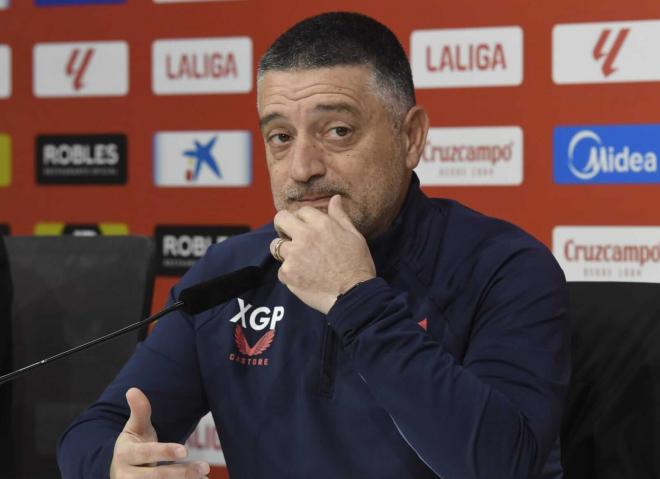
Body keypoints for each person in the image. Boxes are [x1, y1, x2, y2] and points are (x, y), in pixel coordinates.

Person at [58, 12, 570, 479]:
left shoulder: (506, 268)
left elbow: (504, 464)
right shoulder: (229, 273)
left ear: (411, 137)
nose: (303, 167)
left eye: (338, 130)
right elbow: (94, 433)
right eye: (280, 137)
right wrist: (114, 465)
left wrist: (354, 297)